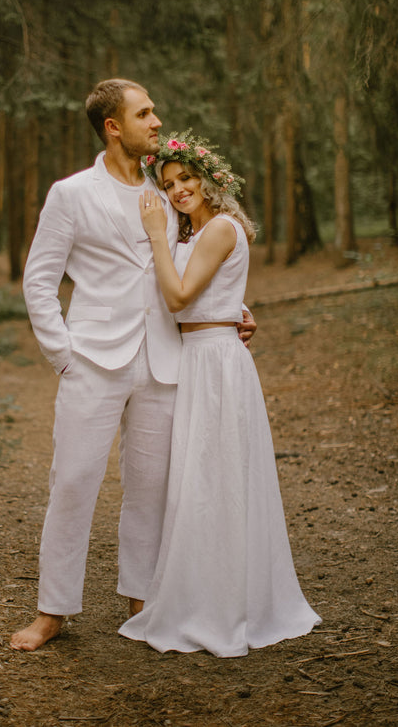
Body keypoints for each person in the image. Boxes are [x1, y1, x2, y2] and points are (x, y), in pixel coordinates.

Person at [9, 81, 256, 651]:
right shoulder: (71, 194)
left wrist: (233, 313)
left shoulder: (167, 191)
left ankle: (142, 601)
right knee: (72, 482)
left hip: (167, 359)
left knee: (152, 487)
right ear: (113, 126)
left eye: (154, 110)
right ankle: (52, 611)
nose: (156, 119)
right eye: (144, 112)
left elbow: (193, 263)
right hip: (93, 359)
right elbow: (39, 280)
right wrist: (63, 355)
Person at [119, 131, 321, 657]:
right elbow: (204, 294)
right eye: (169, 184)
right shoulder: (199, 233)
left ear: (208, 179)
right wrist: (238, 309)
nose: (179, 188)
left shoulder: (218, 229)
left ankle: (223, 600)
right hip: (202, 356)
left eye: (186, 178)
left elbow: (182, 295)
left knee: (216, 479)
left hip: (214, 362)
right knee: (202, 479)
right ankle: (206, 586)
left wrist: (157, 234)